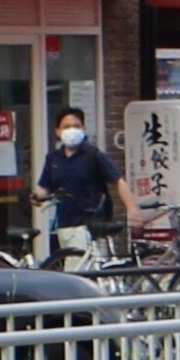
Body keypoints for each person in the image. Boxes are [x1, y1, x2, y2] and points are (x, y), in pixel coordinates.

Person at [35, 105, 132, 270]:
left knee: (80, 273)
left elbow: (118, 181)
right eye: (66, 127)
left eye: (76, 126)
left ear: (83, 128)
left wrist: (132, 208)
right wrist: (37, 196)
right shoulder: (53, 158)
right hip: (65, 224)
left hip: (90, 224)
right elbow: (44, 186)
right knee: (76, 268)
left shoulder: (93, 155)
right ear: (57, 131)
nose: (72, 130)